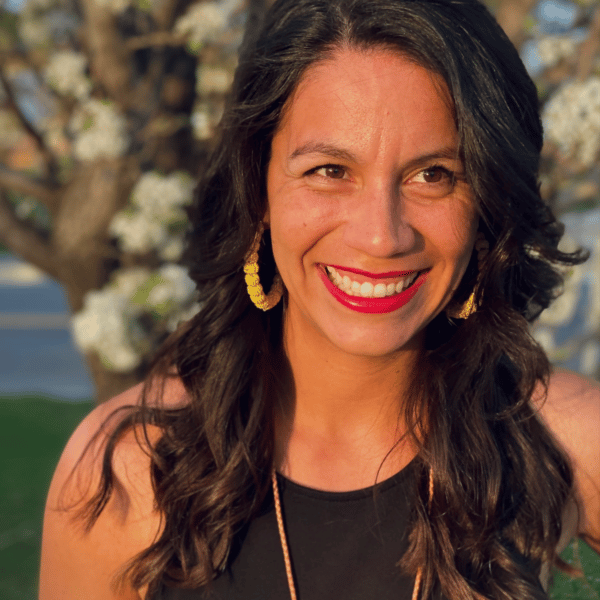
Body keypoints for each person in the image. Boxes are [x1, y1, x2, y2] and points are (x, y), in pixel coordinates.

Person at [39, 0, 600, 598]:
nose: (382, 235)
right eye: (330, 170)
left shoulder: (560, 436)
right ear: (258, 189)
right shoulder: (129, 470)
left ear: (486, 201)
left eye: (433, 174)